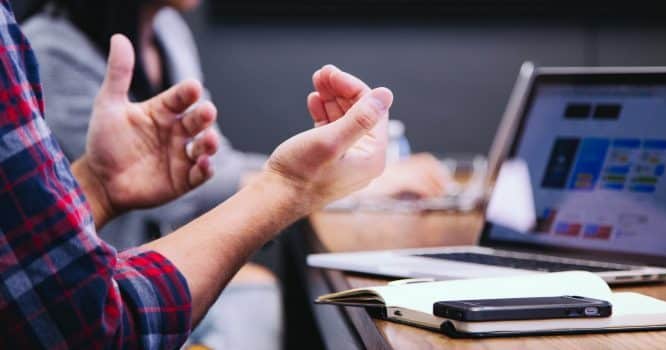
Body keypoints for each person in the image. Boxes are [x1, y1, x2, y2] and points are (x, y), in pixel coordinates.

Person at [21, 1, 449, 348]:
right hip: (106, 292)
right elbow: (195, 190)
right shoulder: (50, 50)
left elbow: (208, 165)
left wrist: (99, 183)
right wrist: (305, 182)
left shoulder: (168, 31)